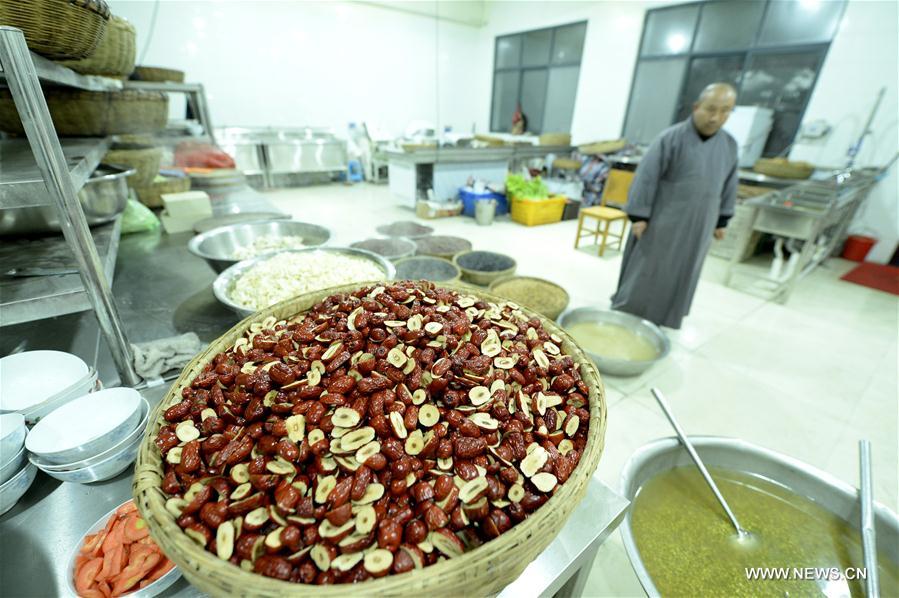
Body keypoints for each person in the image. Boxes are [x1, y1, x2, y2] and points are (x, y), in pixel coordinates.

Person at [610, 83, 738, 329]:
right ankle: (629, 315)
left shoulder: (729, 145)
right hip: (662, 221)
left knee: (684, 270)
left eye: (725, 111)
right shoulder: (671, 138)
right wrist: (639, 215)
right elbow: (646, 177)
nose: (716, 117)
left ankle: (665, 318)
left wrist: (722, 220)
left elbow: (730, 183)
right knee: (647, 268)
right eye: (711, 109)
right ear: (697, 107)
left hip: (702, 222)